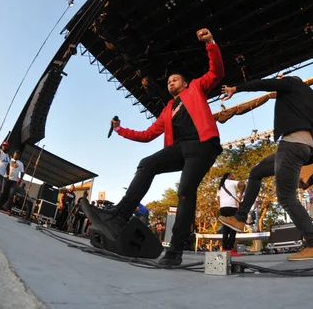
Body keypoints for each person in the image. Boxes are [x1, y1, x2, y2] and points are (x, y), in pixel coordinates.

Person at [87, 28, 224, 266]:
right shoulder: (168, 109)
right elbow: (148, 134)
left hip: (202, 146)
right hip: (180, 149)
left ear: (185, 82)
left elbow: (216, 72)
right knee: (147, 163)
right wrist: (120, 130)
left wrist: (210, 43)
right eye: (169, 82)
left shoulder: (196, 88)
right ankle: (120, 214)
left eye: (175, 80)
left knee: (185, 192)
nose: (171, 83)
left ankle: (176, 250)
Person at [219, 76, 313, 261]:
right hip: (306, 148)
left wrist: (236, 88)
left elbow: (264, 84)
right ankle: (240, 219)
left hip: (292, 144)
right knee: (256, 172)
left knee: (286, 197)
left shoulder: (291, 83)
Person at [216, 172, 245, 256]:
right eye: (232, 175)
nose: (234, 177)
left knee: (225, 229)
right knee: (233, 228)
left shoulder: (220, 186)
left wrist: (221, 205)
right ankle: (230, 249)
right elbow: (243, 185)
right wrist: (240, 195)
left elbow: (218, 197)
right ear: (228, 176)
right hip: (231, 208)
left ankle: (225, 248)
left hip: (223, 208)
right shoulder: (231, 182)